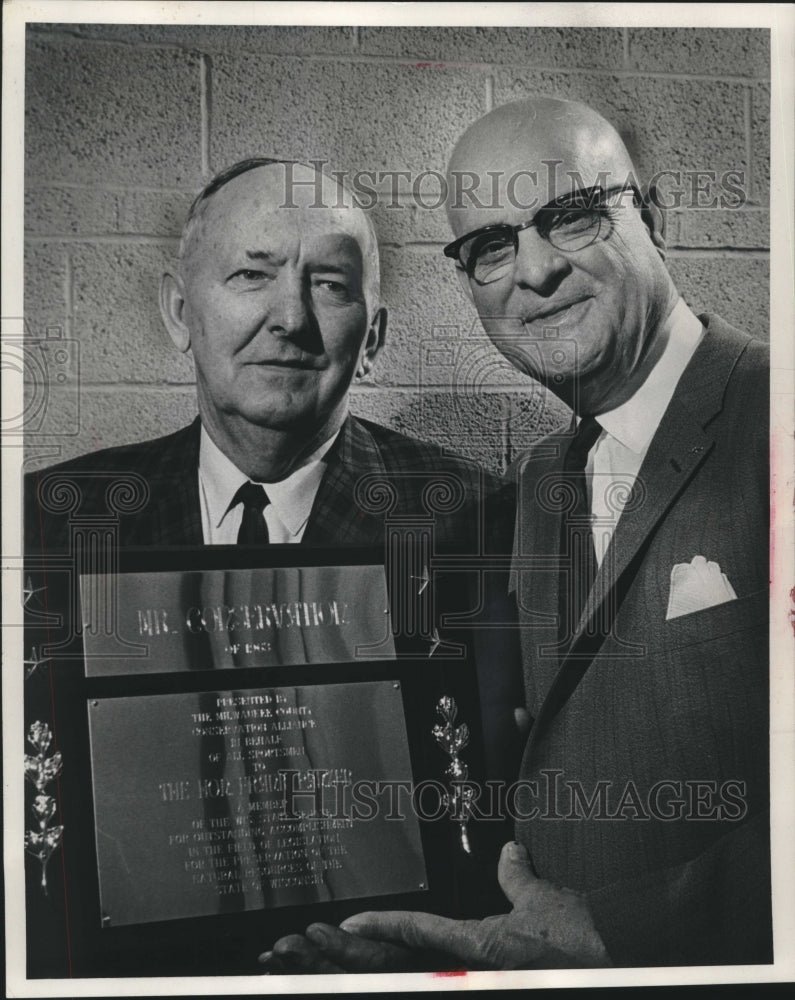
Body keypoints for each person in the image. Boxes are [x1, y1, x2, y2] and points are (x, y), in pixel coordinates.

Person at [265, 97, 770, 970]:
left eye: (570, 217)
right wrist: (461, 948)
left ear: (650, 220)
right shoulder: (541, 483)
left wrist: (626, 930)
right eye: (492, 246)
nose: (532, 272)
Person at [24, 158, 497, 553]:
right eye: (251, 275)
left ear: (371, 338)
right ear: (179, 312)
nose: (291, 319)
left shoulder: (482, 521)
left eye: (330, 284)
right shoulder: (44, 520)